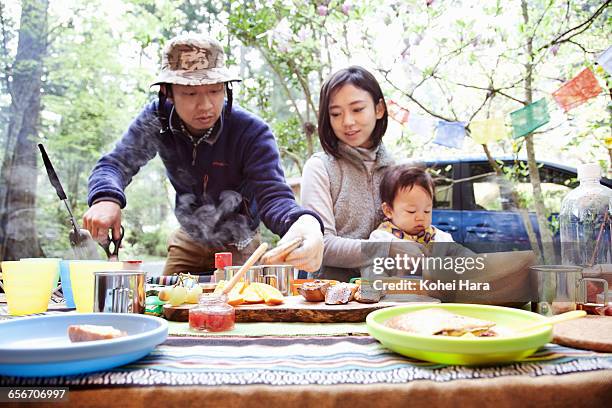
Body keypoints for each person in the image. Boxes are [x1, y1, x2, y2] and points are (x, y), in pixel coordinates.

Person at [82, 33, 324, 275]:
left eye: (215, 90)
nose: (206, 105)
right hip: (189, 236)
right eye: (190, 93)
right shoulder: (157, 119)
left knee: (242, 305)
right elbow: (115, 163)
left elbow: (274, 196)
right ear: (168, 92)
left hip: (240, 241)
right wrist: (106, 198)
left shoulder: (251, 132)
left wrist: (303, 222)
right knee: (166, 302)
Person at [300, 66, 395, 281]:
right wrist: (385, 250)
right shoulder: (320, 168)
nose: (347, 122)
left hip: (388, 294)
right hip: (330, 301)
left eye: (357, 109)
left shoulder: (395, 170)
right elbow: (321, 245)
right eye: (336, 113)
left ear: (379, 109)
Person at [369, 165, 454, 243]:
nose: (421, 218)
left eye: (427, 211)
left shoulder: (441, 238)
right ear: (388, 211)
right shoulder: (381, 239)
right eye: (411, 211)